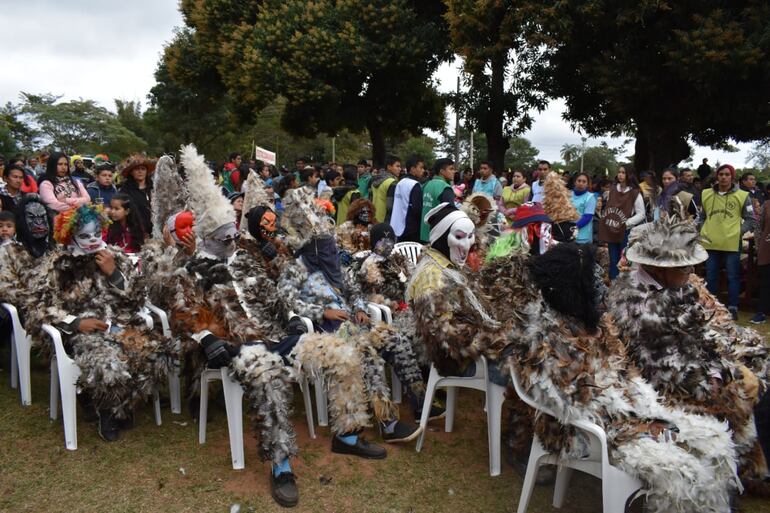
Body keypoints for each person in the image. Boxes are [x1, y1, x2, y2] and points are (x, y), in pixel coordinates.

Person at [141, 148, 300, 507]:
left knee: (341, 349)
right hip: (235, 347)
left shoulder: (245, 261)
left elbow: (272, 296)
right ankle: (281, 464)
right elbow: (185, 313)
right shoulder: (191, 270)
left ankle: (350, 434)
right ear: (207, 236)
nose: (231, 242)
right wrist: (209, 337)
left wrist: (290, 319)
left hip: (273, 335)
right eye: (223, 237)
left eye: (233, 236)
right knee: (267, 375)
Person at [608, 215, 770, 496]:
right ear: (659, 268)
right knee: (748, 385)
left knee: (758, 359)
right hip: (669, 389)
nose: (691, 269)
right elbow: (675, 371)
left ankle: (752, 466)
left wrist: (731, 352)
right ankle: (745, 471)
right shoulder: (643, 307)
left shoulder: (669, 287)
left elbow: (698, 331)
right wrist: (728, 371)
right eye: (683, 266)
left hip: (688, 364)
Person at [0, 203, 175, 442]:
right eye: (84, 235)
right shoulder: (57, 264)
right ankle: (107, 411)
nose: (93, 240)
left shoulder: (115, 256)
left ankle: (120, 403)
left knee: (161, 351)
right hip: (81, 335)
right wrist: (75, 322)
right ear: (69, 234)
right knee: (108, 360)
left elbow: (136, 298)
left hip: (120, 324)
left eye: (96, 233)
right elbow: (37, 306)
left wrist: (113, 273)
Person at [699, 164, 755, 320]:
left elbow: (751, 220)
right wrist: (702, 230)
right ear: (717, 176)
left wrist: (739, 232)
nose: (723, 177)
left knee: (733, 276)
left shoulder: (743, 195)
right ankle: (711, 307)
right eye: (721, 174)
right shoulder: (706, 193)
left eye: (727, 174)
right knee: (711, 276)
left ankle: (733, 307)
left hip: (731, 243)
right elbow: (702, 216)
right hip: (710, 243)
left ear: (732, 177)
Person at [597, 164, 645, 279]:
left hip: (625, 232)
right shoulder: (612, 190)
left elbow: (641, 213)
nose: (620, 174)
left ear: (630, 175)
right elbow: (608, 208)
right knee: (613, 259)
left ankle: (624, 287)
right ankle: (613, 285)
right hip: (611, 229)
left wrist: (626, 223)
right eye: (619, 172)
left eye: (623, 172)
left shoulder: (635, 193)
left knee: (624, 261)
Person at [420, 158, 457, 242]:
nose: (454, 171)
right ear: (442, 171)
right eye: (451, 169)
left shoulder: (427, 184)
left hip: (424, 232)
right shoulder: (445, 188)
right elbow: (451, 215)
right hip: (437, 236)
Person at [119, 154, 156, 236]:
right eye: (136, 169)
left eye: (143, 169)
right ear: (131, 172)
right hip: (135, 231)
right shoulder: (126, 189)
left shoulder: (154, 187)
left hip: (155, 230)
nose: (140, 172)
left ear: (146, 171)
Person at [390, 156, 424, 242]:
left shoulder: (400, 182)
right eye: (421, 167)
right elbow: (417, 209)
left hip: (396, 224)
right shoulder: (415, 185)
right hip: (411, 228)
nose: (423, 170)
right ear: (412, 169)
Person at [751, 199, 770, 324]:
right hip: (767, 248)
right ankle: (762, 311)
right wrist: (759, 246)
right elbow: (759, 226)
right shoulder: (767, 204)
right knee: (765, 281)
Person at [370, 155, 401, 223]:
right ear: (389, 167)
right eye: (397, 166)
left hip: (373, 217)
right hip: (385, 220)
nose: (400, 169)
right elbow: (390, 207)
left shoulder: (375, 180)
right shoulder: (392, 182)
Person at [570, 172, 597, 244]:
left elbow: (588, 216)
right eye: (579, 181)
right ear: (575, 182)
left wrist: (576, 227)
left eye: (584, 181)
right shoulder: (568, 194)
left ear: (587, 184)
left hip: (583, 237)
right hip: (568, 233)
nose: (581, 183)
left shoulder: (590, 197)